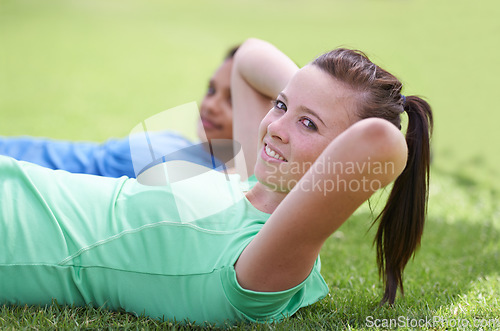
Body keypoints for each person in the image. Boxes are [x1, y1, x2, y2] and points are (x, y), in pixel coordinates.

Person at [0, 38, 433, 325]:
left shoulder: (262, 265)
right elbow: (248, 58)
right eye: (280, 105)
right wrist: (313, 97)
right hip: (18, 181)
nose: (276, 127)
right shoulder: (243, 176)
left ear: (343, 163)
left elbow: (381, 143)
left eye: (307, 124)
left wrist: (348, 113)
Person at [0, 46, 238, 178]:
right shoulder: (194, 151)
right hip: (23, 154)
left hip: (23, 178)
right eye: (211, 90)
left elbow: (257, 57)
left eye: (233, 100)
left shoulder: (225, 180)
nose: (210, 105)